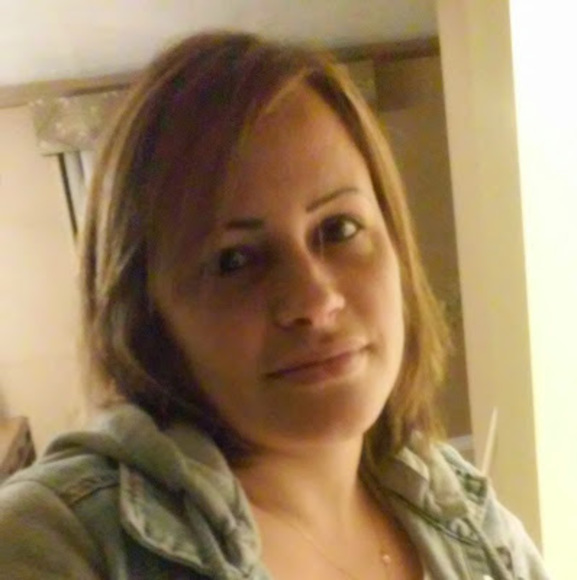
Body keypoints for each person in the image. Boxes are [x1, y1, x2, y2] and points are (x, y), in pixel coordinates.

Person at [0, 32, 549, 580]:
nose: (315, 300)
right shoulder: (55, 543)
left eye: (338, 229)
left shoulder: (468, 517)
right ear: (147, 313)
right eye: (234, 260)